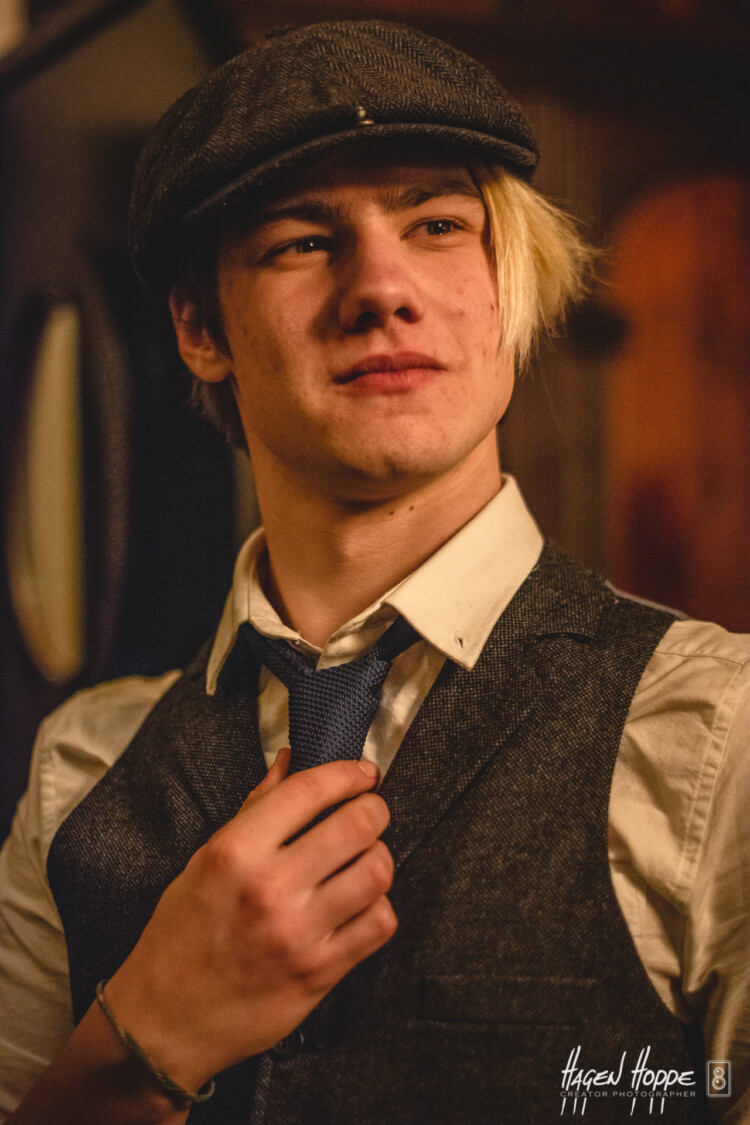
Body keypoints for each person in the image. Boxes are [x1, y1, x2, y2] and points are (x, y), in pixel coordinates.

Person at [0, 19, 748, 1125]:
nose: (382, 289)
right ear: (200, 327)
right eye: (302, 242)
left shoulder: (718, 733)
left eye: (438, 225)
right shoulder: (79, 769)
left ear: (505, 287)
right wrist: (147, 1035)